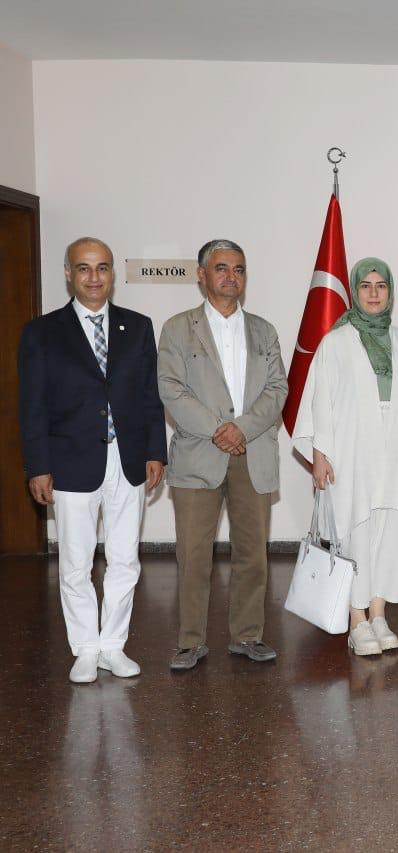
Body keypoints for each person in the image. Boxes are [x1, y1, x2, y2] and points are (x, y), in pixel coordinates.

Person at [18, 237, 166, 683]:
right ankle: (84, 648)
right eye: (83, 268)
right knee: (76, 562)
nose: (94, 277)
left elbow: (149, 397)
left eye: (102, 268)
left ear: (112, 274)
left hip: (129, 462)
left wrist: (156, 451)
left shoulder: (137, 327)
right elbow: (32, 406)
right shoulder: (41, 332)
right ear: (68, 273)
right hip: (70, 463)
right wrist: (37, 465)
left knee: (125, 559)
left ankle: (112, 646)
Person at [157, 239, 288, 671]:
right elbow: (171, 389)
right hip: (199, 455)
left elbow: (277, 389)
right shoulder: (178, 328)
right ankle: (190, 641)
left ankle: (247, 636)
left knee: (253, 553)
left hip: (252, 453)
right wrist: (218, 430)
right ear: (201, 274)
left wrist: (242, 429)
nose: (231, 276)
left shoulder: (263, 330)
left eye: (239, 269)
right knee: (194, 555)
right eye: (221, 268)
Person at [293, 257, 398, 657]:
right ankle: (356, 619)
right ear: (355, 291)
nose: (374, 293)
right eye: (366, 286)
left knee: (390, 532)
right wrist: (320, 454)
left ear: (390, 292)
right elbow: (321, 401)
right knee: (357, 529)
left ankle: (379, 613)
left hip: (396, 447)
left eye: (381, 286)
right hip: (352, 450)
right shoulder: (336, 341)